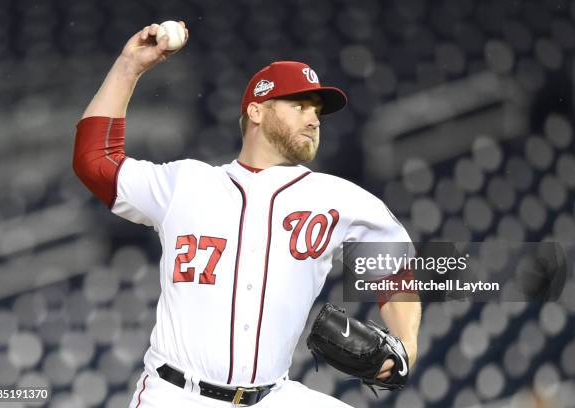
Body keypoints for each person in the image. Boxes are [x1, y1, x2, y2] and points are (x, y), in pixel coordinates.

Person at [73, 21, 421, 407]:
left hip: (272, 396)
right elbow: (94, 161)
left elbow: (395, 266)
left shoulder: (339, 199)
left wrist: (406, 346)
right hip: (176, 395)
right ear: (256, 110)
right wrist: (128, 67)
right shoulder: (185, 183)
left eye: (318, 111)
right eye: (300, 105)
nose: (313, 119)